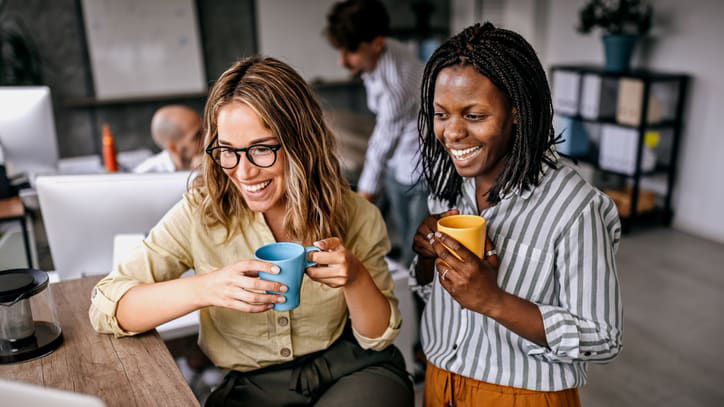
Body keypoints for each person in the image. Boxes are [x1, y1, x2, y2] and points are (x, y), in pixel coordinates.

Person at [90, 56, 413, 406]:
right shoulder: (201, 213)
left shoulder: (355, 213)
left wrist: (356, 279)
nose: (243, 173)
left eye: (261, 149)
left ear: (300, 142)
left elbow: (377, 338)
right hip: (253, 388)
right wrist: (206, 288)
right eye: (227, 151)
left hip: (353, 370)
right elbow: (107, 305)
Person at [410, 23, 623, 406]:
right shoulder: (450, 186)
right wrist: (427, 259)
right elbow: (433, 292)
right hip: (440, 381)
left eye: (474, 116)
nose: (452, 133)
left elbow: (602, 336)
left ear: (517, 112)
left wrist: (493, 300)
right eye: (441, 114)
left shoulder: (575, 207)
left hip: (522, 393)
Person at [325, 0, 427, 267]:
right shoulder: (378, 57)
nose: (342, 61)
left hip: (422, 172)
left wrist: (362, 200)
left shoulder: (398, 81)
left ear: (377, 43)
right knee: (403, 241)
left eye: (351, 52)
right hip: (398, 164)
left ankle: (417, 300)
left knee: (418, 248)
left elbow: (381, 145)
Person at [133, 105, 203, 173]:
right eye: (197, 136)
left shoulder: (207, 160)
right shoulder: (145, 176)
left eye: (205, 129)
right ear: (173, 148)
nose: (206, 137)